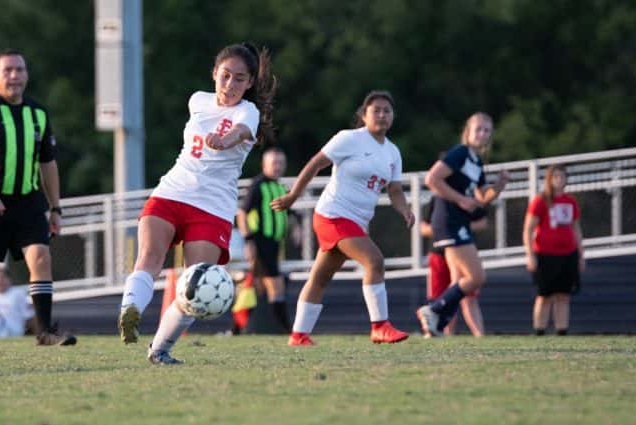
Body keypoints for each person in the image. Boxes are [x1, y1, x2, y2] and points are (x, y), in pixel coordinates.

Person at [117, 42, 276, 365]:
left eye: (239, 79)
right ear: (214, 74)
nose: (230, 85)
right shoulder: (197, 100)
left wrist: (226, 140)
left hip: (212, 206)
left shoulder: (248, 112)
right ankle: (129, 311)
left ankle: (159, 349)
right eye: (225, 76)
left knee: (196, 282)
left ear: (249, 84)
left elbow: (242, 131)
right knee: (149, 255)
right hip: (172, 191)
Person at [271, 90, 414, 346]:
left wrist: (404, 209)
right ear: (364, 115)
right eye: (376, 110)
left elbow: (394, 190)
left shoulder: (393, 153)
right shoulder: (350, 139)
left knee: (320, 278)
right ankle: (380, 327)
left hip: (356, 222)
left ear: (393, 116)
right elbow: (316, 163)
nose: (382, 115)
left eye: (387, 111)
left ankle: (298, 335)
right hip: (333, 215)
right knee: (375, 261)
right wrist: (293, 196)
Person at [0, 49, 75, 346]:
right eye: (8, 70)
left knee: (40, 257)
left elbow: (48, 163)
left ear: (26, 75)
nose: (14, 76)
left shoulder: (38, 113)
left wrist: (56, 208)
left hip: (28, 202)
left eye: (20, 70)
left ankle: (45, 331)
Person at [416, 112, 509, 337]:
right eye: (478, 129)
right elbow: (432, 179)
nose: (482, 134)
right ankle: (433, 310)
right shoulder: (460, 153)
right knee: (476, 277)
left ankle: (436, 325)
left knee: (459, 281)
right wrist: (460, 199)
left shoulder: (476, 161)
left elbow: (481, 196)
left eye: (487, 130)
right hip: (449, 221)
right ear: (467, 132)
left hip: (458, 222)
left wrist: (497, 187)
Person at [522, 164, 584, 335]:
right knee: (544, 295)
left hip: (568, 254)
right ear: (549, 179)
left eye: (562, 176)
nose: (559, 180)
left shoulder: (570, 201)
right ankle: (539, 330)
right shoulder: (540, 200)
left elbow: (576, 229)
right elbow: (528, 229)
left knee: (563, 295)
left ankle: (561, 330)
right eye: (555, 176)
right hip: (545, 254)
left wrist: (580, 255)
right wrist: (530, 255)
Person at [236, 147, 292, 333]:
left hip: (275, 244)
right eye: (274, 163)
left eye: (281, 163)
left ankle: (236, 328)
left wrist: (297, 226)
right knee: (276, 286)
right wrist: (248, 240)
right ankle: (287, 329)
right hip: (261, 243)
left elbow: (288, 213)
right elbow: (242, 212)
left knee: (257, 288)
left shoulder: (281, 187)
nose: (278, 167)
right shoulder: (258, 185)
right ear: (264, 165)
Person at [420, 196, 487, 337]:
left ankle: (479, 334)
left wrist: (460, 226)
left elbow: (482, 220)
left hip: (461, 249)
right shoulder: (437, 198)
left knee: (467, 294)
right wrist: (445, 227)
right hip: (440, 252)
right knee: (441, 295)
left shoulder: (466, 195)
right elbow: (424, 228)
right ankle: (440, 330)